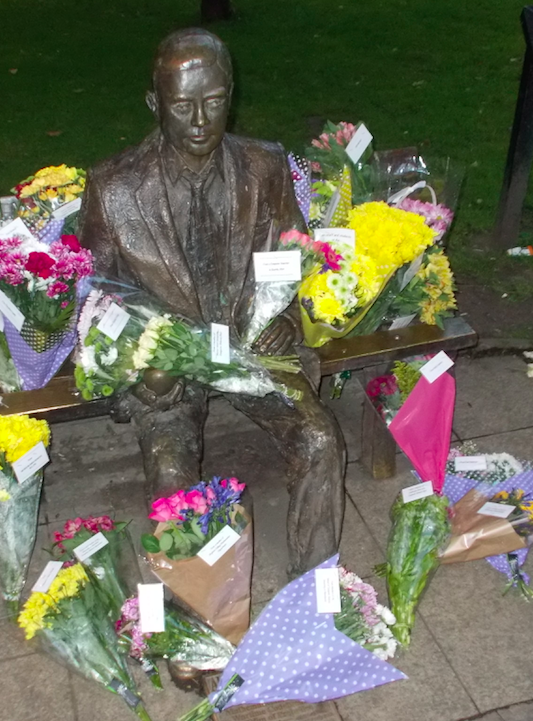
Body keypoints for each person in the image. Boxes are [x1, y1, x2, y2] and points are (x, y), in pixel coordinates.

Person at [79, 27, 345, 575]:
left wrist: (289, 319)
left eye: (215, 102)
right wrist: (140, 366)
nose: (200, 122)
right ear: (155, 104)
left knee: (320, 439)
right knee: (173, 478)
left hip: (252, 347)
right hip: (169, 368)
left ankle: (314, 598)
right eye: (182, 106)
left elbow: (293, 255)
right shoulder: (113, 187)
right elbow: (97, 297)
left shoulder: (265, 166)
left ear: (232, 95)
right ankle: (195, 628)